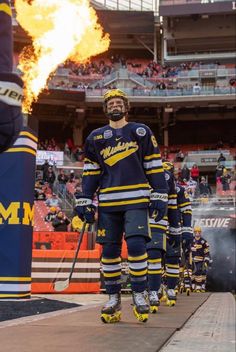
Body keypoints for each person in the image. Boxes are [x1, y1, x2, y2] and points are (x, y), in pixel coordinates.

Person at [75, 89, 168, 323]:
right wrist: (85, 198)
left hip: (137, 199)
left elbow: (153, 164)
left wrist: (160, 193)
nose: (115, 106)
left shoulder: (141, 131)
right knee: (108, 252)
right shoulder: (95, 137)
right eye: (111, 103)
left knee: (136, 244)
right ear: (105, 108)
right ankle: (113, 297)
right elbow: (91, 171)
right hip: (108, 202)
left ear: (126, 107)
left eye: (119, 102)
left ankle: (138, 293)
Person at [147, 161, 181, 311]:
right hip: (140, 218)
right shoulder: (137, 168)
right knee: (145, 258)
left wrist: (178, 229)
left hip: (159, 221)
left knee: (167, 256)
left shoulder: (171, 182)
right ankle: (150, 289)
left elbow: (178, 208)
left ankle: (163, 289)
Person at [191, 226, 211, 292]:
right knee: (192, 273)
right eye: (195, 232)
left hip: (200, 260)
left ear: (200, 232)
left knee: (199, 272)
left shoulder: (203, 241)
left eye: (198, 232)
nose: (197, 233)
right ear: (194, 232)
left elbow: (207, 251)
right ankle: (193, 285)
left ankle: (200, 286)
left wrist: (206, 260)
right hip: (192, 260)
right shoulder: (191, 240)